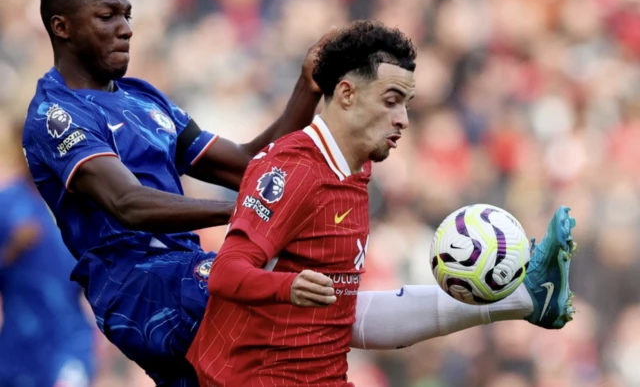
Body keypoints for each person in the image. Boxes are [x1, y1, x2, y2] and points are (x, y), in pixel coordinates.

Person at [187, 20, 577, 386]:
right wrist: (287, 286)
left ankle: (526, 296)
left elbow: (344, 316)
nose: (403, 119)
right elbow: (226, 272)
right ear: (346, 94)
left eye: (406, 104)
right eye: (391, 101)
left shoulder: (355, 170)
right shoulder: (293, 169)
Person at [21, 0, 334, 386]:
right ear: (62, 27)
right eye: (107, 15)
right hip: (137, 284)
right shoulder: (55, 114)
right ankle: (450, 310)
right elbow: (127, 203)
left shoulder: (145, 98)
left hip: (185, 272)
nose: (126, 28)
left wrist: (307, 88)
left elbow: (246, 164)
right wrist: (244, 210)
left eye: (127, 15)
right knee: (300, 305)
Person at [0, 119, 95, 387]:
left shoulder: (78, 203)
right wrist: (11, 250)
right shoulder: (6, 204)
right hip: (19, 346)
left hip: (70, 342)